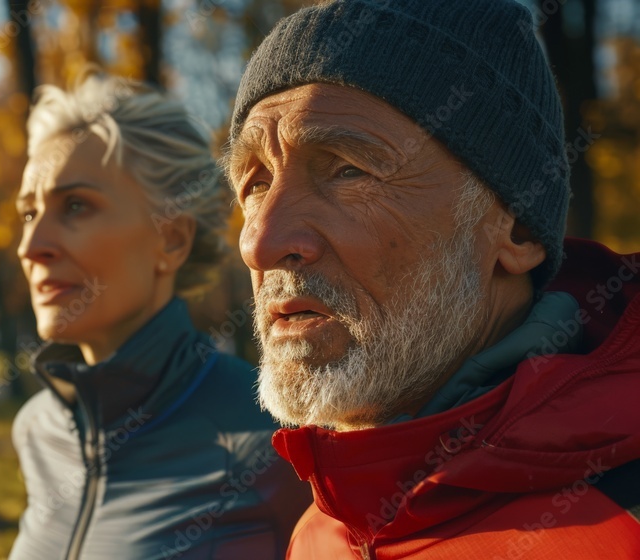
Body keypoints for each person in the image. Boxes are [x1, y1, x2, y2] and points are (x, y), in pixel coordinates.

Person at [223, 0, 640, 558]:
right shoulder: (322, 529)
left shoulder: (620, 526)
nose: (259, 243)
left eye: (349, 170)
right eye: (254, 184)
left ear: (515, 230)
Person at [8, 74, 311, 560]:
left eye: (76, 205)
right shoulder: (37, 431)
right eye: (28, 213)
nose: (31, 246)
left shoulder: (275, 446)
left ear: (171, 240)